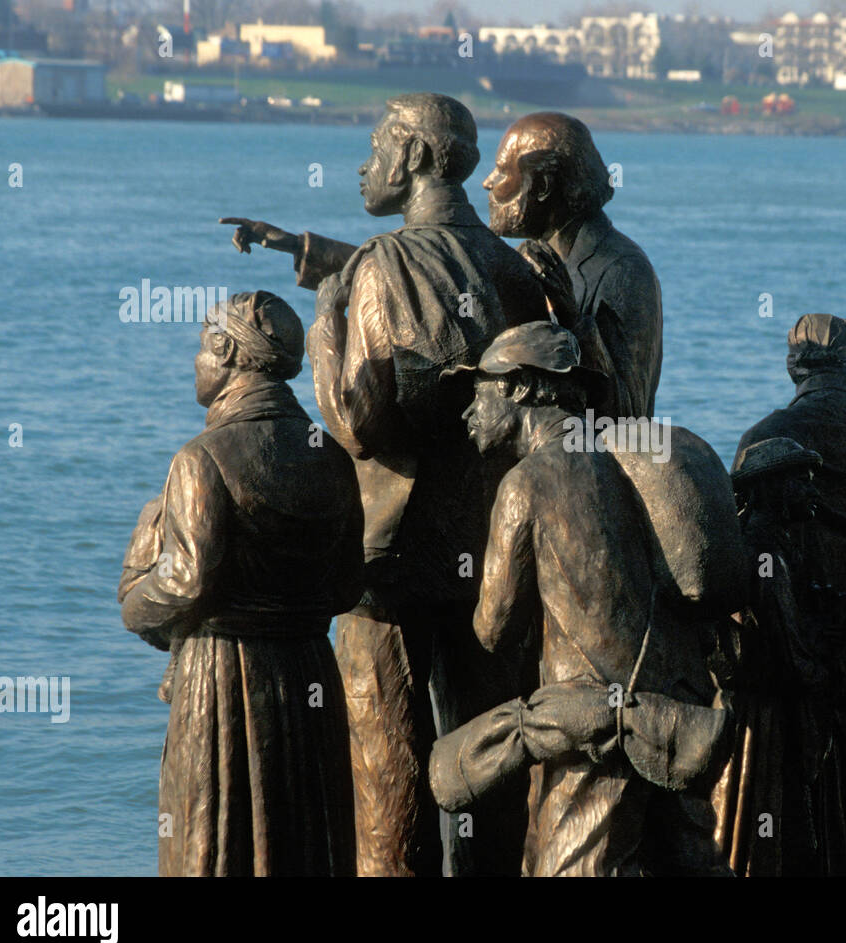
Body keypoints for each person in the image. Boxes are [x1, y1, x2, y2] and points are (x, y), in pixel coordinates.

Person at [225, 93, 549, 876]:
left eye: (377, 144)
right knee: (492, 762)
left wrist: (331, 314)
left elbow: (357, 422)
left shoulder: (378, 270)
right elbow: (434, 290)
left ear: (413, 157)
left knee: (388, 780)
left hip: (392, 561)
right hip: (494, 549)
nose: (365, 163)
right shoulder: (519, 268)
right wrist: (311, 251)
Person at [443, 321, 729, 875]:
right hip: (675, 718)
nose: (468, 411)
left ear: (520, 388)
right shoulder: (623, 456)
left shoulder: (527, 483)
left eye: (479, 389)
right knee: (692, 864)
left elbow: (493, 628)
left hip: (596, 733)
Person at [119, 290, 363, 876]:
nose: (196, 362)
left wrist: (134, 589)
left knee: (217, 841)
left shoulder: (202, 458)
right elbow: (346, 589)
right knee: (304, 841)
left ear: (226, 350)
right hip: (308, 673)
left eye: (204, 347)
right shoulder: (330, 458)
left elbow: (183, 586)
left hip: (222, 678)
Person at [733, 314, 846, 875]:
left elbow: (730, 563)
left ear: (794, 367)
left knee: (789, 824)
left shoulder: (764, 440)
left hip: (784, 691)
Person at [481, 111, 662, 419]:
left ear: (542, 185)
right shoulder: (533, 260)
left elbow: (628, 414)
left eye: (501, 171)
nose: (488, 183)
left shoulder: (623, 271)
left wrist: (572, 318)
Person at [713, 437, 829, 875]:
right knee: (765, 821)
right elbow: (790, 650)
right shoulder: (766, 551)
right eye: (801, 482)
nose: (812, 491)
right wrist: (828, 672)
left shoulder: (760, 542)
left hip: (747, 710)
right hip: (761, 722)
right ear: (771, 489)